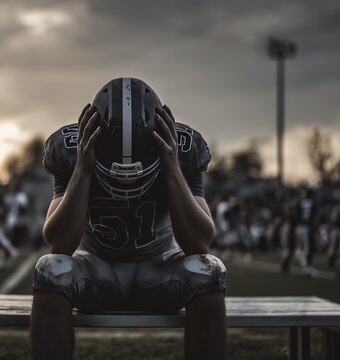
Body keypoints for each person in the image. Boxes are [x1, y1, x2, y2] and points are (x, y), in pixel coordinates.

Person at [30, 78, 227, 360]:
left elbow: (200, 243)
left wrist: (172, 169)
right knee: (50, 270)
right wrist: (83, 170)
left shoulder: (181, 151)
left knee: (209, 272)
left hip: (158, 268)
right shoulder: (71, 150)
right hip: (98, 267)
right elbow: (59, 243)